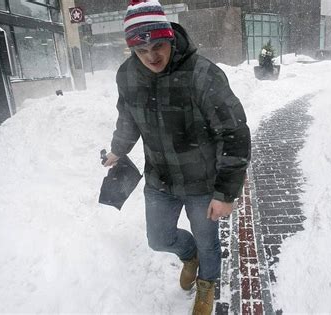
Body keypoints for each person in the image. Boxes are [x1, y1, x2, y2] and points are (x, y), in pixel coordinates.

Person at [102, 1, 251, 313]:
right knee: (158, 238)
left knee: (209, 241)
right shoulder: (127, 76)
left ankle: (207, 284)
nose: (151, 56)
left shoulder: (202, 74)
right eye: (142, 51)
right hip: (160, 180)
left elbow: (235, 133)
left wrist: (225, 193)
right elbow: (128, 119)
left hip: (202, 183)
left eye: (157, 46)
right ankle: (189, 255)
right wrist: (118, 148)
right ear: (132, 49)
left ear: (169, 37)